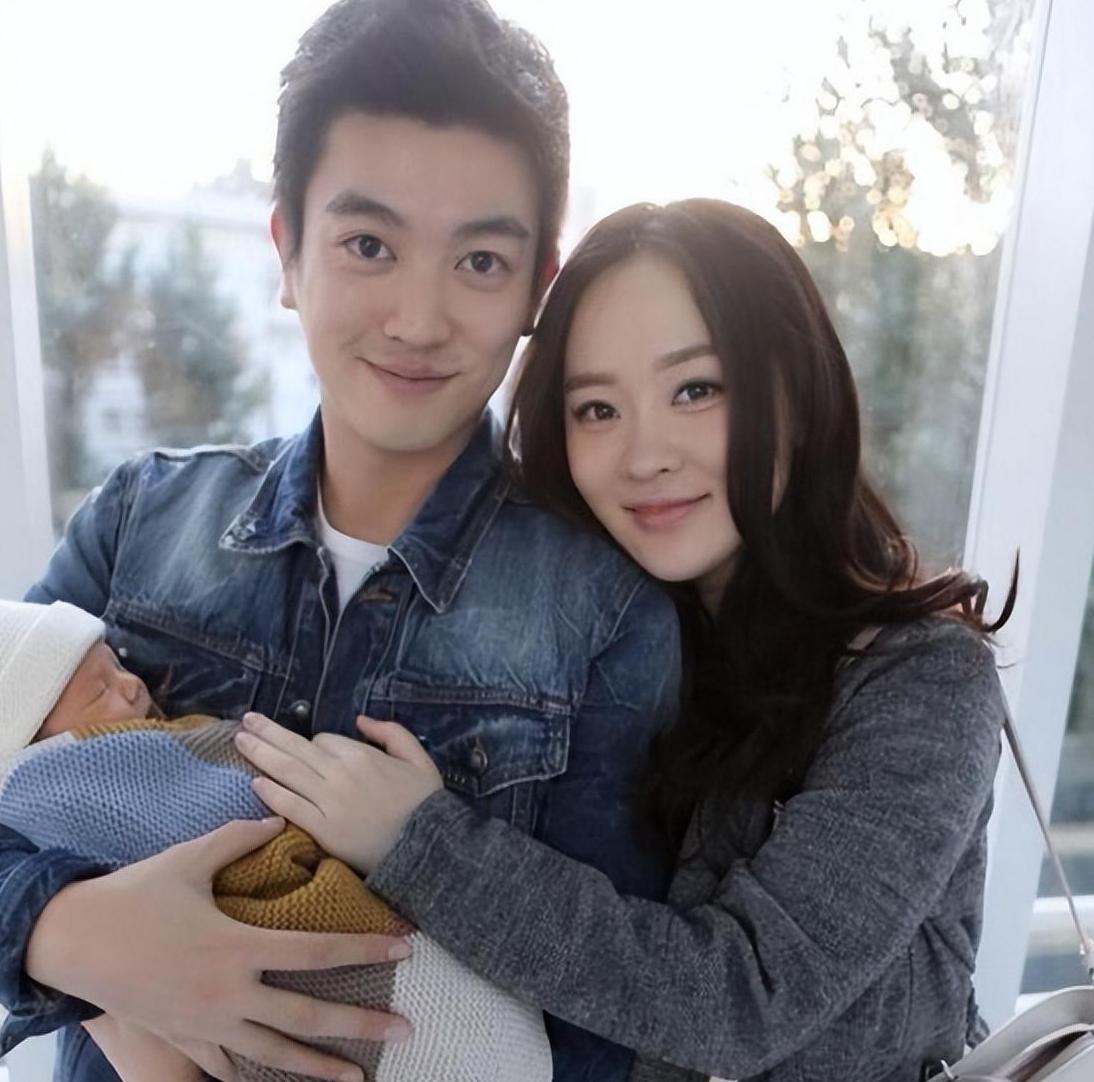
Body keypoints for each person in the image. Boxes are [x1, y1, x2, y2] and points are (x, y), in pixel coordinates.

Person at [0, 4, 680, 1082]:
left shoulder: (606, 614)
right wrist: (69, 935)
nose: (418, 319)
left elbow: (603, 1012)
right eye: (369, 245)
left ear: (535, 291)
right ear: (288, 250)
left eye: (479, 260)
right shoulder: (139, 523)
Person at [235, 199, 1013, 1082]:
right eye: (597, 409)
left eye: (696, 390)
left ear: (798, 391)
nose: (644, 456)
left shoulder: (920, 681)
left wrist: (419, 840)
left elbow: (744, 999)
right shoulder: (591, 635)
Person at [0, 597, 553, 1082]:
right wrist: (55, 931)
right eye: (103, 688)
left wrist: (425, 840)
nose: (134, 682)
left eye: (118, 664)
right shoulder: (124, 526)